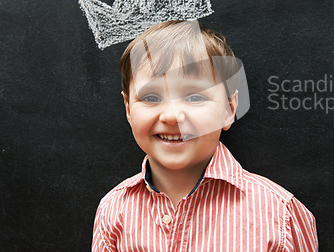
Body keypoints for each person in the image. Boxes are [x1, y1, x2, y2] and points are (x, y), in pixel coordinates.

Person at [92, 20, 318, 251]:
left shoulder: (279, 213)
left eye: (195, 97)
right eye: (151, 98)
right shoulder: (113, 210)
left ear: (229, 109)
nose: (171, 116)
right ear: (129, 109)